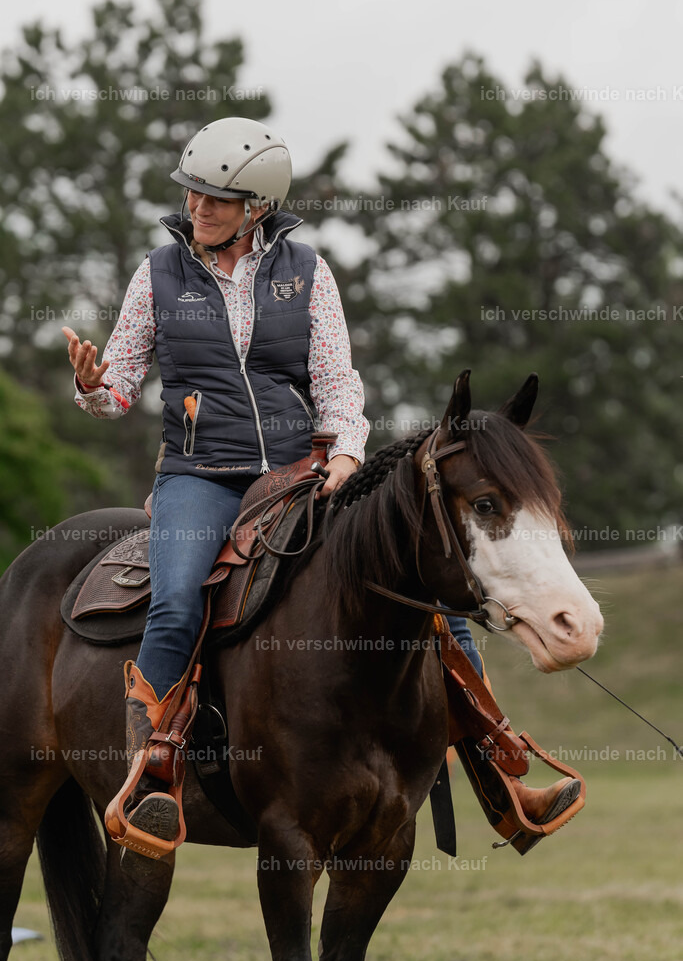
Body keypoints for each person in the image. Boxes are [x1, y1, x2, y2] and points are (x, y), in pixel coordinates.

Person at [64, 116, 578, 863]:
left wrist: (344, 453)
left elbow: (337, 382)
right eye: (191, 196)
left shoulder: (307, 272)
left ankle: (501, 780)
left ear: (256, 208)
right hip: (197, 476)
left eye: (213, 200)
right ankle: (154, 779)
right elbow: (118, 388)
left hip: (299, 472)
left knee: (442, 604)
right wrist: (92, 386)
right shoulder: (158, 272)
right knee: (174, 603)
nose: (195, 209)